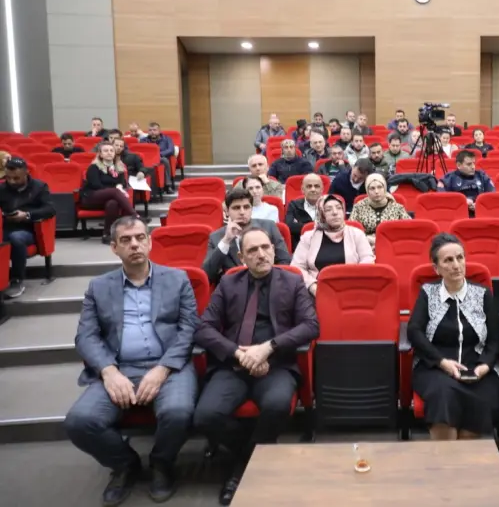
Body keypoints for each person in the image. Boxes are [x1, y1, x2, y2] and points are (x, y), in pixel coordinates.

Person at [64, 216, 199, 506]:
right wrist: (109, 371)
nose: (134, 244)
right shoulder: (98, 287)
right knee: (80, 421)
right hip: (119, 367)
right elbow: (86, 336)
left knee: (178, 411)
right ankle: (125, 464)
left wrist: (162, 369)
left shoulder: (177, 279)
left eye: (140, 237)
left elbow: (189, 329)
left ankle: (162, 463)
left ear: (150, 242)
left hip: (169, 365)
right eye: (126, 240)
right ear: (114, 248)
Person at [194, 227, 319, 506]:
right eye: (252, 250)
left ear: (274, 249)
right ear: (241, 257)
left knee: (277, 405)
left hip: (276, 364)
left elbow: (311, 325)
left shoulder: (292, 281)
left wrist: (268, 348)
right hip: (233, 364)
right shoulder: (229, 283)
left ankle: (240, 468)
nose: (261, 254)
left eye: (265, 247)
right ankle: (252, 454)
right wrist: (238, 354)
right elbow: (204, 328)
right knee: (205, 416)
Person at [407, 233, 499, 440]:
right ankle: (447, 457)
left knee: (483, 398)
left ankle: (460, 457)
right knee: (442, 394)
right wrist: (442, 362)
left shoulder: (482, 294)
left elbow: (495, 339)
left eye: (460, 258)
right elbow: (414, 332)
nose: (456, 265)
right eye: (448, 260)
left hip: (477, 367)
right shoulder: (428, 293)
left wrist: (484, 366)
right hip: (435, 367)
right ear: (436, 268)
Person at [203, 189, 291, 284]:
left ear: (251, 209)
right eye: (236, 208)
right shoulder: (216, 237)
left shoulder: (269, 227)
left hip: (269, 283)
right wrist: (226, 240)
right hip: (234, 288)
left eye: (246, 207)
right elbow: (207, 274)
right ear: (227, 211)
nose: (242, 212)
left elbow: (285, 261)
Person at [291, 194, 374, 296]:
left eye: (339, 208)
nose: (335, 212)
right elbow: (297, 266)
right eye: (328, 210)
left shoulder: (356, 234)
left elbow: (367, 260)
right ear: (321, 214)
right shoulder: (308, 237)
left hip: (352, 289)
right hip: (317, 291)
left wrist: (353, 282)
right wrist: (312, 286)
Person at [0, 157, 56, 297]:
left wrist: (27, 215)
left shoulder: (39, 187)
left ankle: (16, 280)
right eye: (8, 178)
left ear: (26, 173)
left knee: (15, 237)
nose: (12, 182)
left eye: (16, 178)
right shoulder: (2, 188)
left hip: (29, 229)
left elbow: (50, 210)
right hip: (5, 226)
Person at [80, 142, 139, 244]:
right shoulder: (94, 167)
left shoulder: (119, 168)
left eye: (111, 150)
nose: (109, 153)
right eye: (106, 151)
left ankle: (107, 234)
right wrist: (114, 189)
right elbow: (96, 185)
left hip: (109, 198)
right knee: (115, 191)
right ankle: (135, 215)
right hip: (91, 197)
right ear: (100, 154)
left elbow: (122, 183)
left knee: (113, 203)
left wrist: (119, 186)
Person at [349, 173, 411, 247]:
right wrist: (366, 239)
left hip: (392, 246)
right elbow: (351, 231)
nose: (376, 191)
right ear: (367, 190)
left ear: (384, 188)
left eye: (380, 187)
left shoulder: (397, 208)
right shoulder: (359, 207)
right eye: (372, 188)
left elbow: (408, 231)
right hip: (365, 245)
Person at [285, 174, 323, 247]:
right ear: (302, 190)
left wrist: (301, 224)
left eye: (316, 186)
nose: (313, 189)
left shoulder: (330, 205)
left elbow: (333, 227)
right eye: (309, 186)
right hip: (301, 246)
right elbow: (289, 226)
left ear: (322, 190)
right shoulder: (294, 205)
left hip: (324, 246)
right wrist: (318, 226)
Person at [139, 122, 175, 194]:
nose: (152, 132)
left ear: (159, 131)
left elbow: (171, 150)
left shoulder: (167, 139)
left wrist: (158, 155)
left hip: (160, 159)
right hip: (147, 159)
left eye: (154, 130)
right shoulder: (143, 140)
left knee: (164, 160)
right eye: (150, 130)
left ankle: (167, 186)